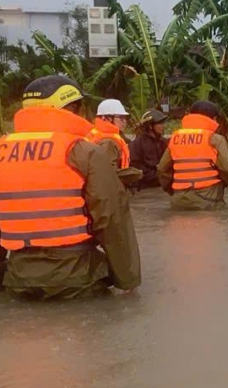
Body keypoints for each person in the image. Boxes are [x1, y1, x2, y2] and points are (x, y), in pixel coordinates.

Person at [0, 75, 141, 299]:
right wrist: (127, 280)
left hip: (17, 280)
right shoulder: (84, 151)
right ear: (72, 108)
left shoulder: (3, 151)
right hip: (78, 280)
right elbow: (111, 219)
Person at [157, 100, 228, 210]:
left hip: (179, 201)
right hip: (207, 200)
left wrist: (172, 190)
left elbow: (162, 169)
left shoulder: (175, 138)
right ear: (211, 118)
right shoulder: (214, 139)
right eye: (215, 118)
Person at [89, 98, 143, 187]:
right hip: (109, 190)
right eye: (121, 118)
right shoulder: (108, 142)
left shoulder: (98, 134)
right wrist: (136, 173)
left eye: (125, 118)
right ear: (107, 118)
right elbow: (109, 173)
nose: (124, 121)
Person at [129, 109, 169, 189]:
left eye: (163, 123)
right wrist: (158, 176)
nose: (162, 126)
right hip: (144, 188)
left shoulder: (164, 142)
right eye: (159, 123)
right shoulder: (137, 144)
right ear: (150, 126)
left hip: (162, 186)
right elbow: (136, 167)